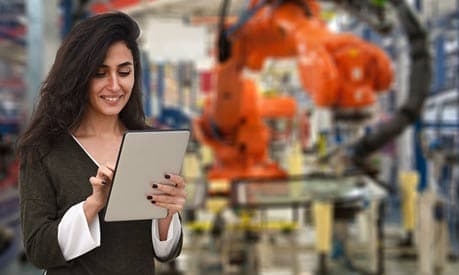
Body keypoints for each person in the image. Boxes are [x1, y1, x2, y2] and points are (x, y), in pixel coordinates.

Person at [17, 12, 186, 275]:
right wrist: (93, 205)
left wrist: (168, 212)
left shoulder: (150, 145)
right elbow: (38, 249)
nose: (115, 85)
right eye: (100, 73)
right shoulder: (43, 150)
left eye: (124, 72)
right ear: (79, 76)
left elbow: (165, 252)